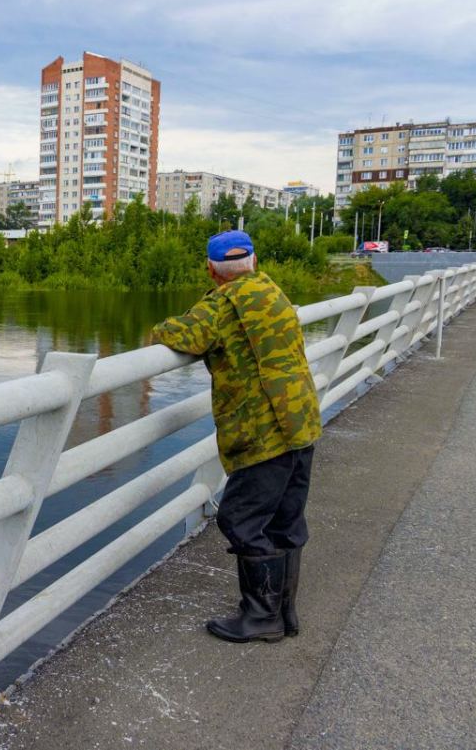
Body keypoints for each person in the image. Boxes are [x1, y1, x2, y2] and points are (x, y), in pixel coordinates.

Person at [150, 230, 322, 643]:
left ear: (211, 270)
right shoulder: (272, 291)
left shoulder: (222, 303)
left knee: (239, 517)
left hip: (263, 432)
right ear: (255, 261)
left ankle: (262, 617)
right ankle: (284, 613)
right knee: (285, 517)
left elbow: (181, 334)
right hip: (300, 423)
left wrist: (156, 329)